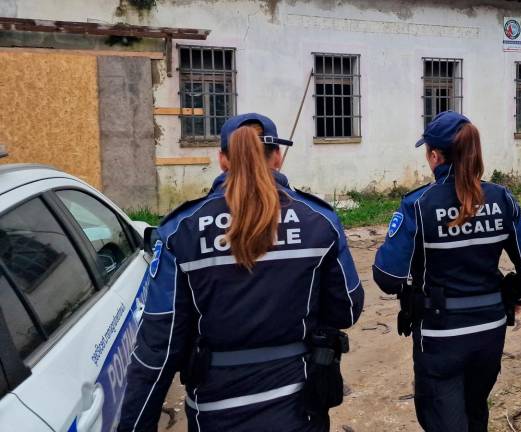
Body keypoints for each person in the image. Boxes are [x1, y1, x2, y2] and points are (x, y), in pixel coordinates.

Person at [118, 113, 364, 432]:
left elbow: (158, 347)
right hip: (298, 404)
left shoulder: (181, 230)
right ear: (277, 157)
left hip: (215, 410)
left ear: (223, 159)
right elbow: (346, 308)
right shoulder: (318, 220)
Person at [372, 111, 521, 432]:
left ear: (435, 156)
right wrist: (519, 295)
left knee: (444, 421)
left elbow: (388, 277)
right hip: (490, 333)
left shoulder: (418, 204)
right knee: (476, 412)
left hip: (440, 338)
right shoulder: (501, 198)